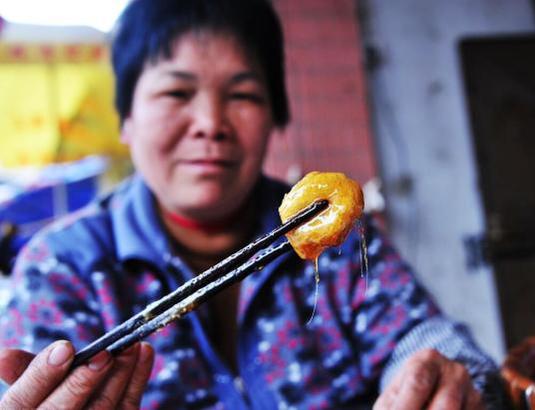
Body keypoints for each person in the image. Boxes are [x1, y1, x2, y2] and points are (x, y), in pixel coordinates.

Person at [0, 0, 504, 408]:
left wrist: (445, 377)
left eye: (242, 95)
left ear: (274, 118)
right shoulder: (63, 265)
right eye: (177, 92)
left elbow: (422, 336)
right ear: (127, 120)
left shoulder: (334, 237)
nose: (211, 123)